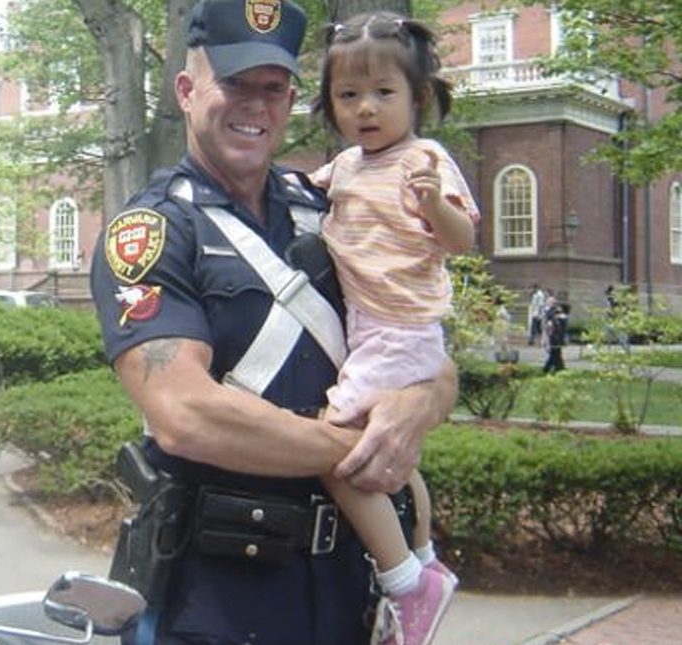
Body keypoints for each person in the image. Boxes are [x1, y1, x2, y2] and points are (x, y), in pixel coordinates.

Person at [89, 1, 458, 644]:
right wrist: (360, 452)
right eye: (234, 84)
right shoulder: (153, 231)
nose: (256, 105)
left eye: (274, 89)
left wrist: (416, 407)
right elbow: (186, 414)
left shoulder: (332, 205)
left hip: (349, 587)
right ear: (185, 89)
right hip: (222, 597)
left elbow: (431, 356)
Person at [308, 12, 479, 645]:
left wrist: (434, 203)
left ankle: (408, 580)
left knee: (334, 449)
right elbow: (306, 189)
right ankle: (428, 555)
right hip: (370, 330)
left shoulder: (425, 159)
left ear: (418, 98)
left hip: (402, 331)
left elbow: (461, 240)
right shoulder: (346, 166)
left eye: (384, 92)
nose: (366, 108)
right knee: (394, 455)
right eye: (348, 96)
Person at [543, 303, 567, 373]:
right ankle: (547, 369)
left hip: (557, 339)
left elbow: (562, 330)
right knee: (554, 354)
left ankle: (559, 368)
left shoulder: (559, 320)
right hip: (554, 339)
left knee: (557, 354)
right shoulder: (552, 320)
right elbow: (550, 331)